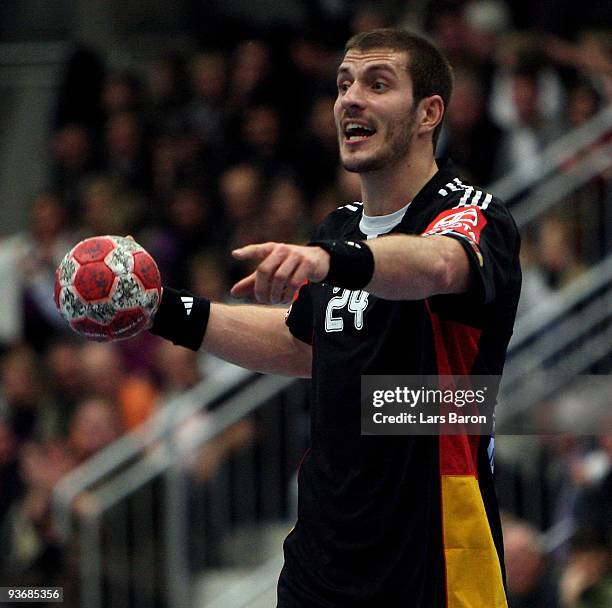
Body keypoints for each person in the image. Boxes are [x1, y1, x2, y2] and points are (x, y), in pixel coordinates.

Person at [148, 28, 521, 607]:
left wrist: (331, 262)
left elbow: (439, 265)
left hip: (432, 562)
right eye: (343, 84)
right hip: (320, 564)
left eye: (377, 85)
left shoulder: (471, 212)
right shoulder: (338, 228)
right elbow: (303, 344)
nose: (351, 99)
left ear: (429, 113)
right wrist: (162, 309)